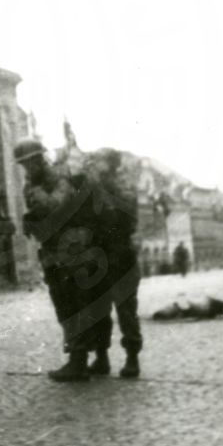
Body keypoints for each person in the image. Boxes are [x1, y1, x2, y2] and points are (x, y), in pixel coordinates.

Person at [14, 137, 110, 381]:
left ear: (40, 158)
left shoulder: (59, 177)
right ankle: (91, 357)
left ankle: (81, 361)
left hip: (74, 251)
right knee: (66, 305)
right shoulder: (32, 183)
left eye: (31, 161)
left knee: (76, 304)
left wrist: (36, 197)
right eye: (24, 164)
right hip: (54, 253)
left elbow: (57, 205)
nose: (28, 168)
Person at [84, 149, 143, 378]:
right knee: (98, 309)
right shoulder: (93, 187)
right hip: (98, 256)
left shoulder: (123, 187)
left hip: (121, 256)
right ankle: (101, 357)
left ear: (110, 164)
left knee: (126, 310)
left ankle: (132, 358)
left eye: (98, 161)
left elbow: (124, 218)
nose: (94, 164)